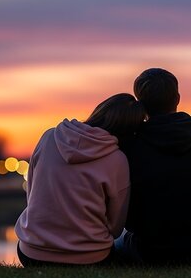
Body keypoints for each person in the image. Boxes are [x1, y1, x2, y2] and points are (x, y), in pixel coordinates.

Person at [115, 68, 191, 265]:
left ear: (140, 104)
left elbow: (128, 218)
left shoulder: (131, 145)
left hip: (152, 253)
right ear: (177, 98)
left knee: (117, 242)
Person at [15, 93, 146, 266]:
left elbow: (32, 195)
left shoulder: (49, 137)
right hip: (90, 258)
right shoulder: (117, 160)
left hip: (32, 254)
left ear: (100, 111)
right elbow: (115, 228)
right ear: (130, 131)